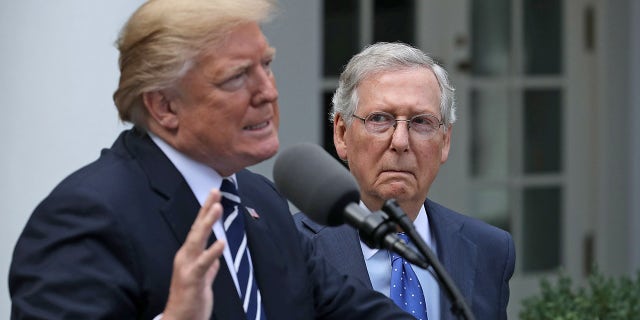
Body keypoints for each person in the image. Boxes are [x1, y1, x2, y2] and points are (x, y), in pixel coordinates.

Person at [8, 2, 416, 319]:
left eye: (266, 65)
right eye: (236, 77)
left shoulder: (261, 201)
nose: (267, 92)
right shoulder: (86, 215)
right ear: (165, 106)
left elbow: (350, 310)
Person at [295, 42, 516, 320]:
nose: (400, 141)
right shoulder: (293, 247)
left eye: (421, 122)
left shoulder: (489, 250)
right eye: (379, 119)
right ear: (341, 134)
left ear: (445, 141)